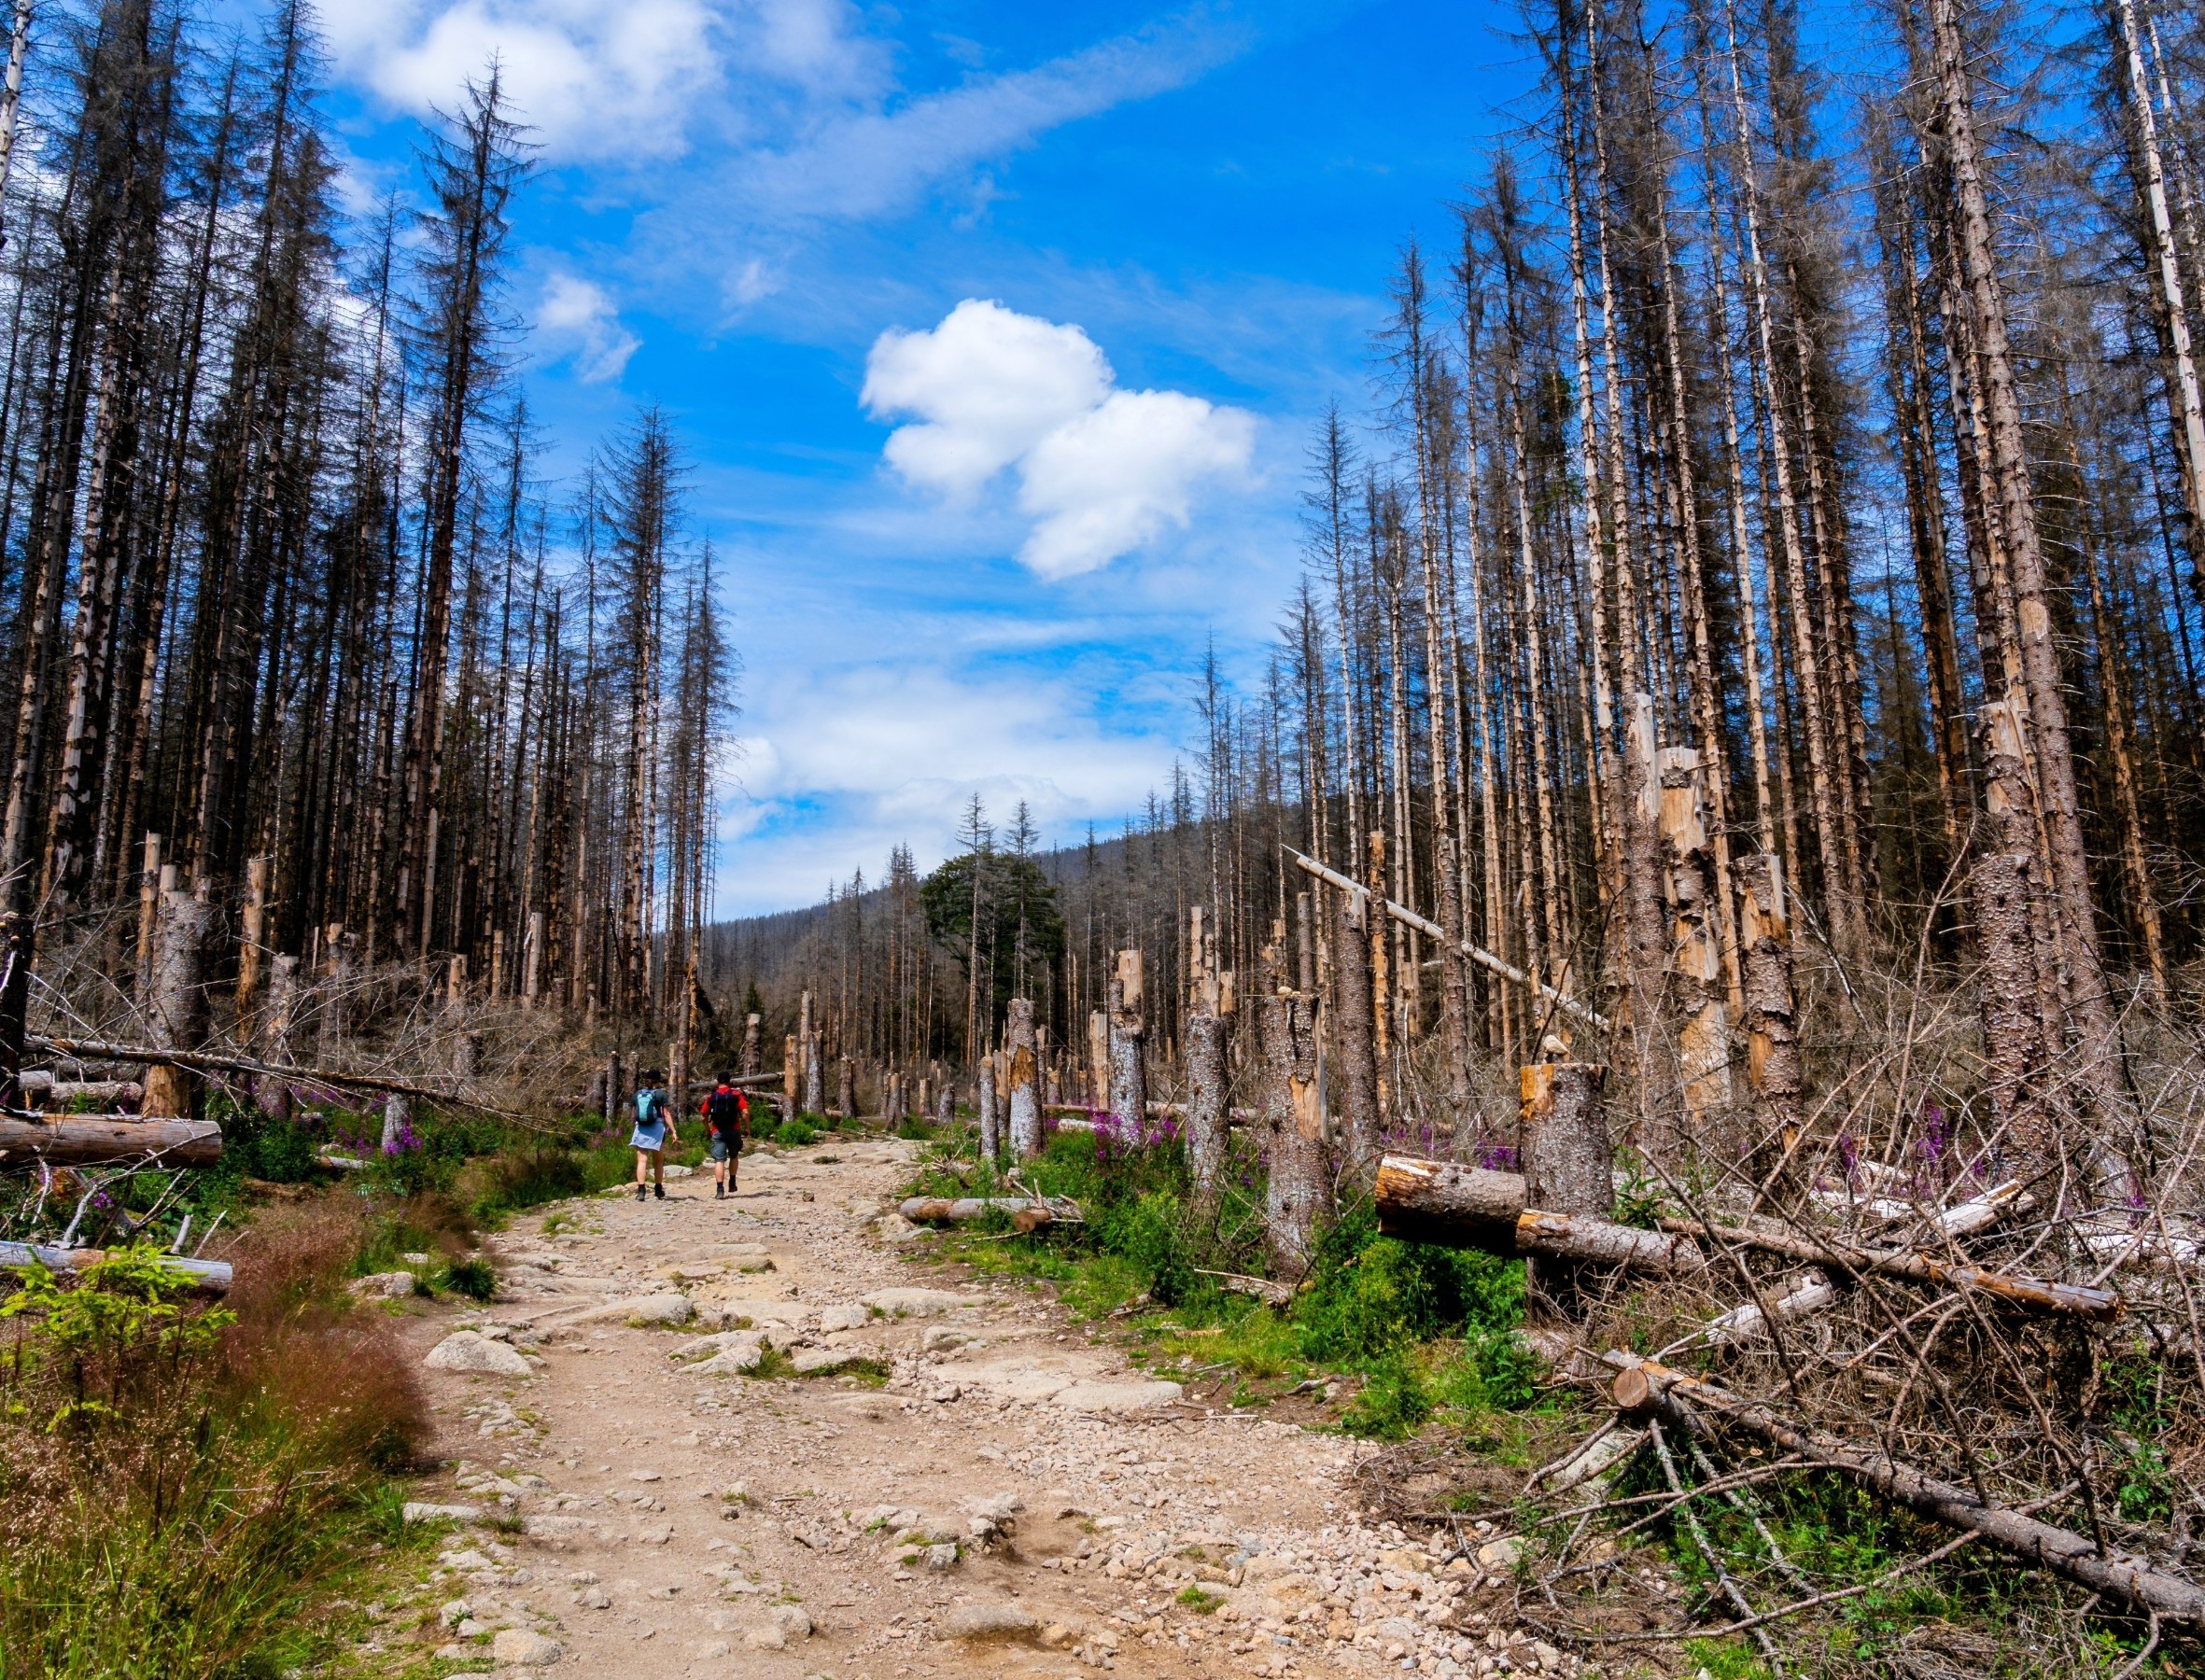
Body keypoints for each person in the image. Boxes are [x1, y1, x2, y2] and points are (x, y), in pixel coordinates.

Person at [630, 1070, 677, 1200]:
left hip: (641, 1128)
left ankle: (641, 1191)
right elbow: (666, 1114)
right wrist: (673, 1131)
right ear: (659, 1079)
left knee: (641, 1160)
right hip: (657, 1128)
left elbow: (633, 1115)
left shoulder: (638, 1094)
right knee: (658, 1161)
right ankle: (658, 1189)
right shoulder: (661, 1094)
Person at [701, 1072, 748, 1200]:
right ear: (729, 1081)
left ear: (717, 1081)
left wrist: (708, 1130)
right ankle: (732, 1182)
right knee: (734, 1155)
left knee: (719, 1160)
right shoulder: (736, 1094)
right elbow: (745, 1113)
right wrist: (748, 1127)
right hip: (734, 1129)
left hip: (717, 1130)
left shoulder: (711, 1096)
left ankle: (720, 1189)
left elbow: (703, 1117)